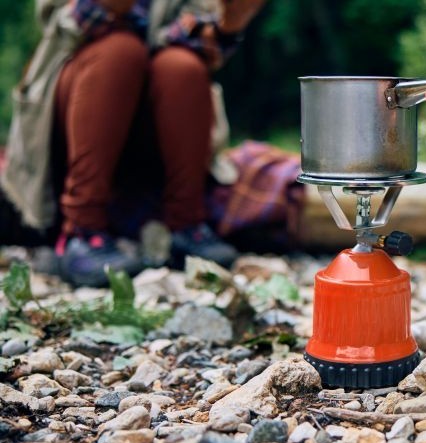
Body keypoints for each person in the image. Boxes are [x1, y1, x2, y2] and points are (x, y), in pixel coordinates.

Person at [2, 0, 267, 286]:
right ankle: (81, 231)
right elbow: (70, 22)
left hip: (150, 119)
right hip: (80, 103)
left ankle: (185, 226)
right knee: (121, 51)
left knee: (182, 66)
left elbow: (193, 39)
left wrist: (228, 27)